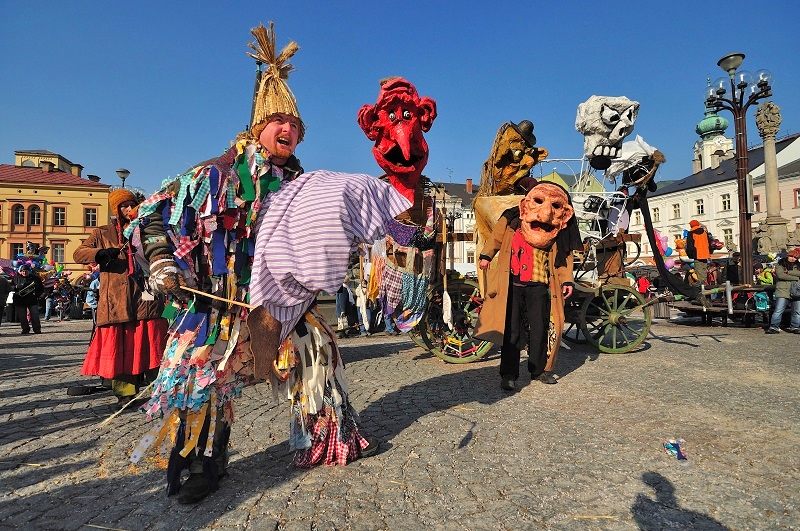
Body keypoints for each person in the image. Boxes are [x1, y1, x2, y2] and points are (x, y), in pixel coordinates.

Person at [129, 22, 408, 505]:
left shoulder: (305, 187)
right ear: (257, 128)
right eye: (279, 121)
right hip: (219, 302)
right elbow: (150, 214)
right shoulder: (214, 175)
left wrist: (395, 228)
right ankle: (203, 462)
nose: (288, 131)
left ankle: (329, 436)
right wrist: (161, 263)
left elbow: (348, 222)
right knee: (204, 376)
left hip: (286, 299)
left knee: (318, 357)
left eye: (295, 125)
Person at [474, 181, 581, 391]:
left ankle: (538, 370)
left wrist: (567, 279)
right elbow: (496, 237)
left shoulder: (557, 226)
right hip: (512, 283)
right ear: (526, 203)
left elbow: (565, 255)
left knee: (539, 329)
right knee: (511, 330)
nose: (546, 211)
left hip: (539, 284)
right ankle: (508, 374)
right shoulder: (512, 218)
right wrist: (486, 255)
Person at [73, 189, 169, 409]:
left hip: (145, 297)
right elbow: (79, 253)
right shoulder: (102, 232)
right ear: (116, 209)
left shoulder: (146, 227)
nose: (129, 209)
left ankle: (159, 388)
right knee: (120, 346)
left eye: (132, 204)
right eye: (124, 206)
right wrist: (100, 254)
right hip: (116, 300)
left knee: (152, 342)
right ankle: (125, 393)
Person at [765, 248, 800, 334]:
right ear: (788, 256)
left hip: (797, 290)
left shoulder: (798, 265)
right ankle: (774, 327)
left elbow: (786, 275)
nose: (793, 259)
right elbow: (781, 275)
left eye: (795, 257)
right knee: (778, 310)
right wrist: (796, 278)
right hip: (783, 290)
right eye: (791, 256)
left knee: (797, 311)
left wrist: (788, 273)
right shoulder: (780, 264)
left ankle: (795, 327)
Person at [12, 264, 43, 334]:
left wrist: (37, 295)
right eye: (23, 271)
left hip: (32, 299)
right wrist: (15, 287)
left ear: (29, 271)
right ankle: (25, 329)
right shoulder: (16, 278)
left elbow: (41, 288)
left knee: (35, 314)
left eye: (26, 271)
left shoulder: (36, 278)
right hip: (20, 300)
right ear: (20, 271)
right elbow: (11, 287)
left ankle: (37, 329)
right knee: (22, 316)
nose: (24, 272)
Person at [685, 220, 711, 285]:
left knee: (699, 271)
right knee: (704, 270)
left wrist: (690, 255)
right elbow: (709, 242)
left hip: (697, 254)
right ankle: (704, 284)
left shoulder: (691, 233)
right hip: (705, 254)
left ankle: (701, 286)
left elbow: (690, 245)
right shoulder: (704, 232)